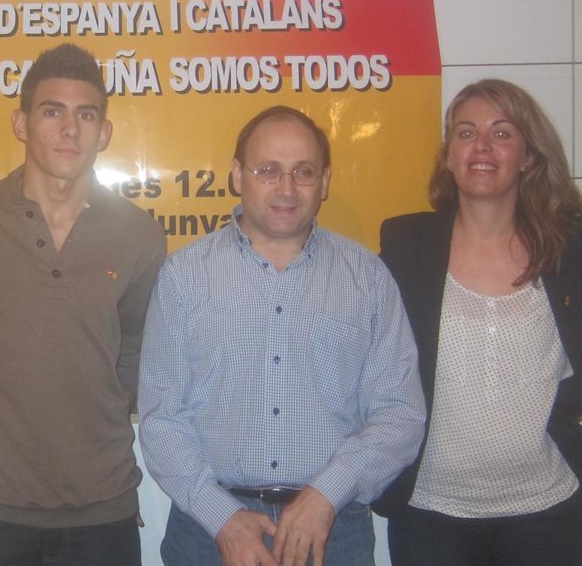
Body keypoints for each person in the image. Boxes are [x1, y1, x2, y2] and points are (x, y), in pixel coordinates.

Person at [373, 79, 582, 566]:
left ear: (529, 156)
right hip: (430, 513)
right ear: (449, 157)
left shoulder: (572, 244)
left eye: (502, 133)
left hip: (548, 513)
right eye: (465, 133)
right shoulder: (408, 244)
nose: (481, 147)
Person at [138, 106, 426, 566]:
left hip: (332, 528)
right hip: (209, 532)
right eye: (268, 170)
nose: (286, 188)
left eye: (303, 172)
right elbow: (161, 417)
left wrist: (326, 495)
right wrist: (223, 519)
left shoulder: (367, 279)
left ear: (324, 182)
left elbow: (400, 413)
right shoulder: (184, 277)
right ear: (237, 175)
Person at [0, 43, 167, 566]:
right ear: (21, 124)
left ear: (104, 133)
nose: (70, 130)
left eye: (86, 115)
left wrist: (92, 457)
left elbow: (133, 353)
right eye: (52, 111)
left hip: (103, 512)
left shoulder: (139, 236)